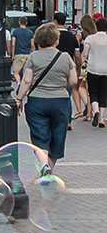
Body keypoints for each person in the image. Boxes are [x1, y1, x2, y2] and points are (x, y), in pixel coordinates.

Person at [17, 22, 77, 171]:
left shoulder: (33, 57)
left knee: (39, 136)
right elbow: (73, 81)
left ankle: (43, 165)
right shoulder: (65, 57)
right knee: (58, 136)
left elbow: (26, 81)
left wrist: (19, 99)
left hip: (37, 101)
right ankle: (49, 168)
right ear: (56, 40)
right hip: (60, 102)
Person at [81, 16, 107, 127]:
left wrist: (83, 63)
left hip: (93, 69)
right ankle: (101, 119)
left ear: (96, 26)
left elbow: (85, 54)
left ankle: (95, 111)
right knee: (104, 94)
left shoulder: (90, 39)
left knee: (93, 92)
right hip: (106, 70)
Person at [11, 16, 35, 84]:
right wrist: (33, 53)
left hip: (18, 54)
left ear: (19, 22)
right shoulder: (30, 32)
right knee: (25, 72)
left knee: (16, 72)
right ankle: (24, 85)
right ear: (26, 23)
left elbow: (13, 44)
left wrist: (12, 55)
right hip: (28, 54)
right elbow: (32, 45)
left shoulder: (15, 32)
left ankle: (18, 83)